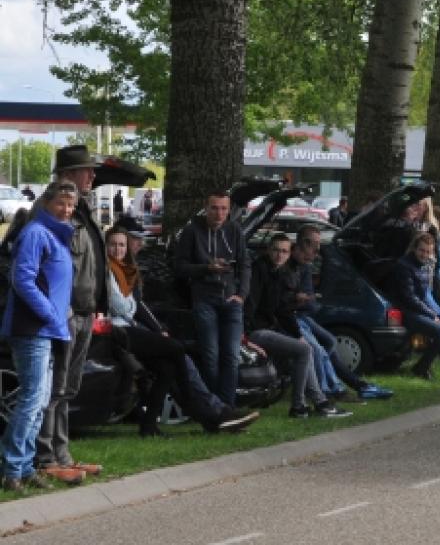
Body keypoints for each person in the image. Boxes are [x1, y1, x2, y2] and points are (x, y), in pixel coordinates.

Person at [105, 227, 261, 436]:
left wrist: (158, 328)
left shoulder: (127, 271)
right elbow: (122, 308)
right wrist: (134, 308)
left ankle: (150, 426)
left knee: (168, 368)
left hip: (130, 327)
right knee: (177, 350)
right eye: (113, 244)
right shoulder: (107, 271)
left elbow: (136, 306)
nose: (118, 249)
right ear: (105, 247)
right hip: (116, 330)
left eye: (122, 245)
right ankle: (206, 409)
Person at [2, 181, 80, 490]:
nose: (67, 209)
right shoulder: (36, 233)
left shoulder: (57, 234)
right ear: (47, 202)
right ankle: (11, 468)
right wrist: (50, 313)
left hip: (50, 329)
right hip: (32, 329)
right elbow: (22, 279)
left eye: (71, 204)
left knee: (41, 401)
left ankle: (23, 466)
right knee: (31, 400)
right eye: (61, 203)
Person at [39, 146, 107, 481]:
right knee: (53, 390)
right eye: (86, 171)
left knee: (67, 389)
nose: (92, 176)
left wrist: (96, 306)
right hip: (63, 315)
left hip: (84, 313)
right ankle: (46, 458)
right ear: (67, 175)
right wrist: (59, 312)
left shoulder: (82, 211)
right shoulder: (51, 214)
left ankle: (62, 454)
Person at [246, 234, 351, 417]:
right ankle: (299, 406)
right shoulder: (259, 270)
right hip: (256, 331)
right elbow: (250, 306)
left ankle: (319, 402)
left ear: (289, 254)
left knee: (305, 348)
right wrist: (247, 336)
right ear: (269, 250)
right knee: (304, 350)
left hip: (271, 327)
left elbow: (282, 310)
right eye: (276, 250)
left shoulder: (280, 273)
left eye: (284, 251)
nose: (279, 255)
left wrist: (297, 334)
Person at [288, 228, 392, 400]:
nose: (316, 251)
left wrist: (307, 302)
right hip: (291, 317)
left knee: (330, 341)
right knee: (316, 349)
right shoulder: (289, 268)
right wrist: (300, 301)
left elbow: (310, 303)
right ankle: (330, 390)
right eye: (314, 245)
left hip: (302, 315)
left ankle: (355, 384)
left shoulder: (305, 268)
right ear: (301, 245)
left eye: (318, 246)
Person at [174, 190, 252, 407]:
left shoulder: (235, 230)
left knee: (232, 356)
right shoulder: (192, 231)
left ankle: (227, 406)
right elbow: (179, 267)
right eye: (215, 208)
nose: (219, 213)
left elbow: (245, 264)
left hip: (231, 299)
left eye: (224, 209)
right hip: (204, 299)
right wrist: (206, 268)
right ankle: (213, 405)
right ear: (206, 208)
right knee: (210, 356)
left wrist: (242, 294)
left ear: (229, 210)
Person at [384, 233, 440, 380]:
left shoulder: (424, 265)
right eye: (422, 250)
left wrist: (432, 313)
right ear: (414, 249)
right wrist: (431, 314)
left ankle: (421, 367)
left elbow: (423, 296)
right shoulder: (404, 266)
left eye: (428, 251)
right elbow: (410, 298)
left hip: (419, 310)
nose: (424, 254)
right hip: (405, 312)